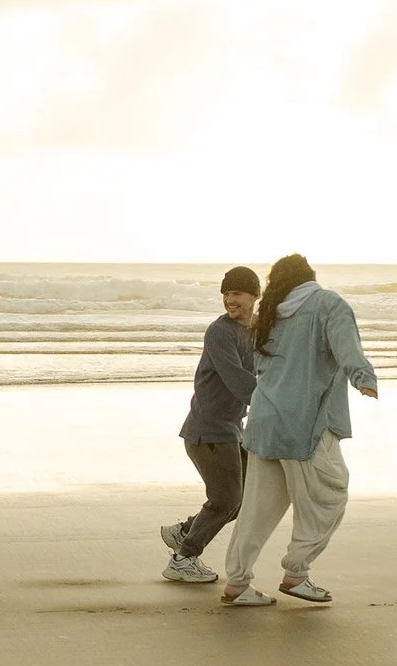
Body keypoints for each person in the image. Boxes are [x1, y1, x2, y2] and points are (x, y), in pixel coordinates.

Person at [220, 254, 377, 607]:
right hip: (305, 422)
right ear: (310, 277)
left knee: (257, 509)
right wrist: (364, 378)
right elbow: (347, 347)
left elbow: (260, 365)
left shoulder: (270, 312)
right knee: (330, 496)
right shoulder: (329, 303)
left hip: (264, 420)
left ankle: (237, 582)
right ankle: (296, 572)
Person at [159, 266, 260, 583]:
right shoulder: (219, 332)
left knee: (243, 500)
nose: (230, 300)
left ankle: (186, 531)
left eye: (237, 293)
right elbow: (238, 382)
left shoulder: (256, 330)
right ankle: (183, 558)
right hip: (208, 431)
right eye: (226, 294)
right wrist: (278, 402)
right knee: (226, 500)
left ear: (254, 296)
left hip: (231, 429)